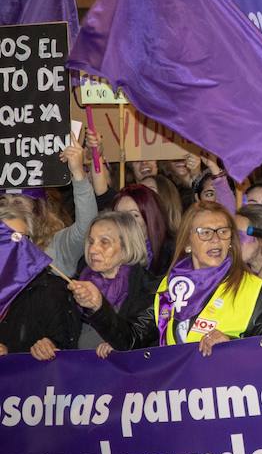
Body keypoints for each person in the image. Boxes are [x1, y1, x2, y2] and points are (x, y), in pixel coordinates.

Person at [70, 201, 262, 355]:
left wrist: (230, 345)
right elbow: (131, 340)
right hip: (178, 404)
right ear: (188, 242)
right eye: (205, 233)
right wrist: (98, 306)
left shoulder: (255, 291)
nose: (215, 240)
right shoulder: (169, 287)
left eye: (223, 232)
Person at [0, 136, 98, 277]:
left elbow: (87, 227)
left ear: (39, 207)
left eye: (18, 202)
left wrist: (77, 172)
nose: (10, 206)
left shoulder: (57, 246)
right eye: (3, 202)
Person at [0, 208, 81, 359]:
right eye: (4, 240)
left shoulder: (51, 290)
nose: (11, 248)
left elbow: (66, 348)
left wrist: (11, 354)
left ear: (31, 244)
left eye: (19, 239)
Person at [76, 212, 158, 354]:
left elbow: (134, 342)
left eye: (104, 242)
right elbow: (65, 335)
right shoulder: (80, 280)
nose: (93, 249)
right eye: (91, 241)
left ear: (127, 246)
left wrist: (99, 306)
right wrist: (51, 343)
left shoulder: (148, 288)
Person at [111, 185, 174, 278]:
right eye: (118, 216)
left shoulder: (171, 255)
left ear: (150, 217)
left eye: (134, 215)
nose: (124, 222)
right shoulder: (104, 250)